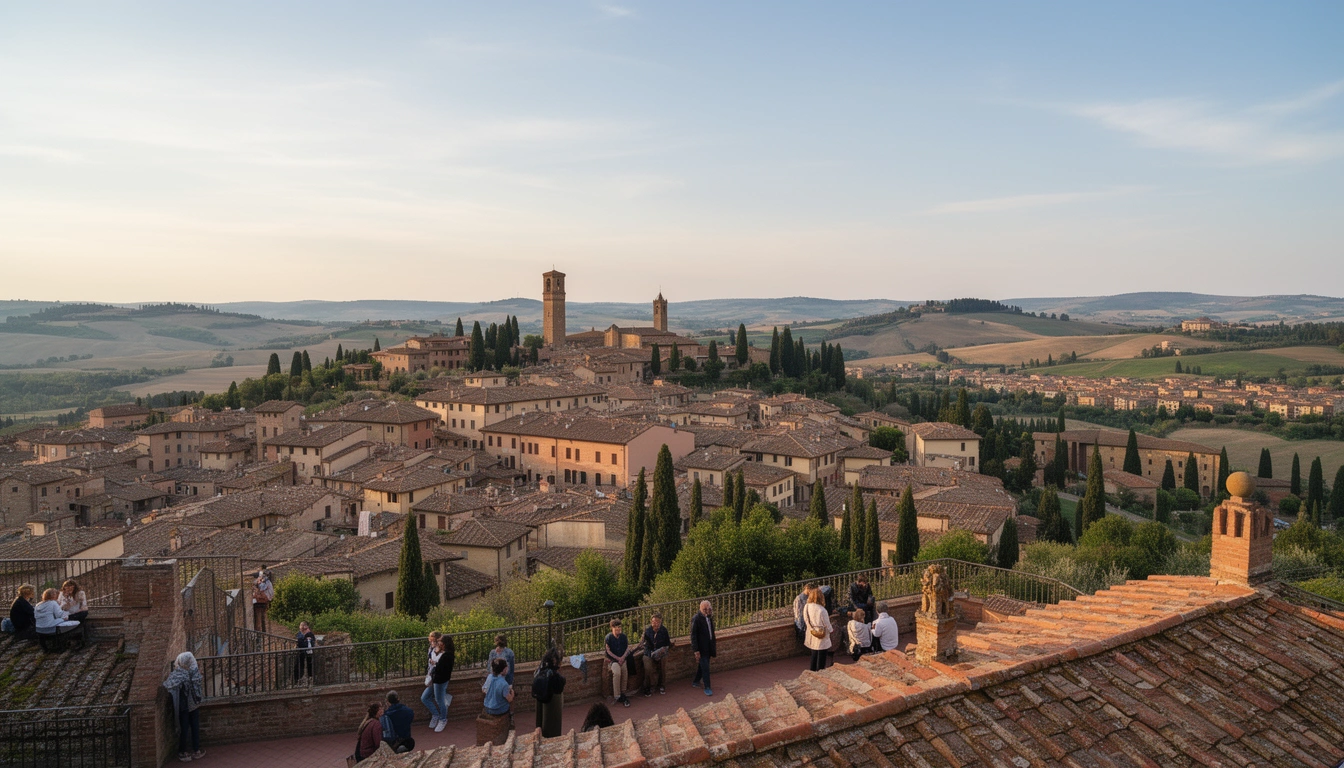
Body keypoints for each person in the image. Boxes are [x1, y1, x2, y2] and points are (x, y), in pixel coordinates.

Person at [163, 651, 205, 763]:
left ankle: (183, 752)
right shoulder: (195, 672)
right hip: (194, 704)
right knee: (195, 727)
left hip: (184, 706)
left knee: (184, 729)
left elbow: (168, 685)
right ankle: (196, 750)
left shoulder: (178, 674)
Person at [532, 647, 566, 737]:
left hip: (541, 701)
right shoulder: (555, 677)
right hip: (552, 704)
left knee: (540, 725)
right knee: (552, 728)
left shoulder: (539, 672)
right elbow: (560, 687)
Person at [422, 634, 453, 732]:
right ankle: (436, 714)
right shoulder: (437, 650)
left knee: (440, 701)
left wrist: (435, 664)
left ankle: (443, 719)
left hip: (440, 680)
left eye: (439, 641)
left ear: (444, 643)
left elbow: (443, 668)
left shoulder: (448, 655)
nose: (437, 643)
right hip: (434, 679)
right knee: (424, 698)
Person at [639, 611, 672, 697]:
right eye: (654, 622)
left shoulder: (664, 631)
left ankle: (662, 685)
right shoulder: (647, 630)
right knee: (648, 667)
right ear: (651, 622)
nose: (656, 624)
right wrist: (649, 651)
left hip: (660, 652)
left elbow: (667, 644)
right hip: (648, 652)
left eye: (658, 622)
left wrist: (661, 650)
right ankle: (647, 687)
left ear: (661, 622)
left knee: (663, 664)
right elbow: (642, 643)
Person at [803, 585, 833, 672]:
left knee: (814, 654)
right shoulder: (822, 610)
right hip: (821, 633)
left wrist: (810, 628)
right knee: (822, 656)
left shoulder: (807, 606)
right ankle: (820, 672)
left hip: (812, 632)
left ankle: (812, 671)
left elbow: (806, 619)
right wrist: (831, 630)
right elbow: (826, 623)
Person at [690, 600, 716, 697]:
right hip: (701, 648)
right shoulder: (696, 619)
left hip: (708, 647)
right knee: (705, 668)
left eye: (708, 609)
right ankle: (707, 687)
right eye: (704, 609)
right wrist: (696, 650)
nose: (706, 611)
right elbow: (693, 636)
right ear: (700, 609)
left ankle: (696, 681)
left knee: (703, 665)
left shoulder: (709, 617)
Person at [603, 618, 632, 707]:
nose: (618, 630)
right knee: (617, 673)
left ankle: (623, 692)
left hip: (622, 659)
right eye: (616, 628)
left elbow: (627, 648)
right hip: (613, 661)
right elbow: (608, 651)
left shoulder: (623, 636)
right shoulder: (608, 638)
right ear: (612, 628)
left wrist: (622, 658)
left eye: (619, 628)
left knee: (625, 672)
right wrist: (617, 658)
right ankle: (617, 695)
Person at [251, 569, 274, 633]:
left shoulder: (266, 581)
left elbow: (262, 588)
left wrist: (257, 583)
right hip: (263, 601)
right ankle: (262, 631)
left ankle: (260, 632)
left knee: (260, 618)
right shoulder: (265, 581)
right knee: (262, 618)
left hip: (263, 600)